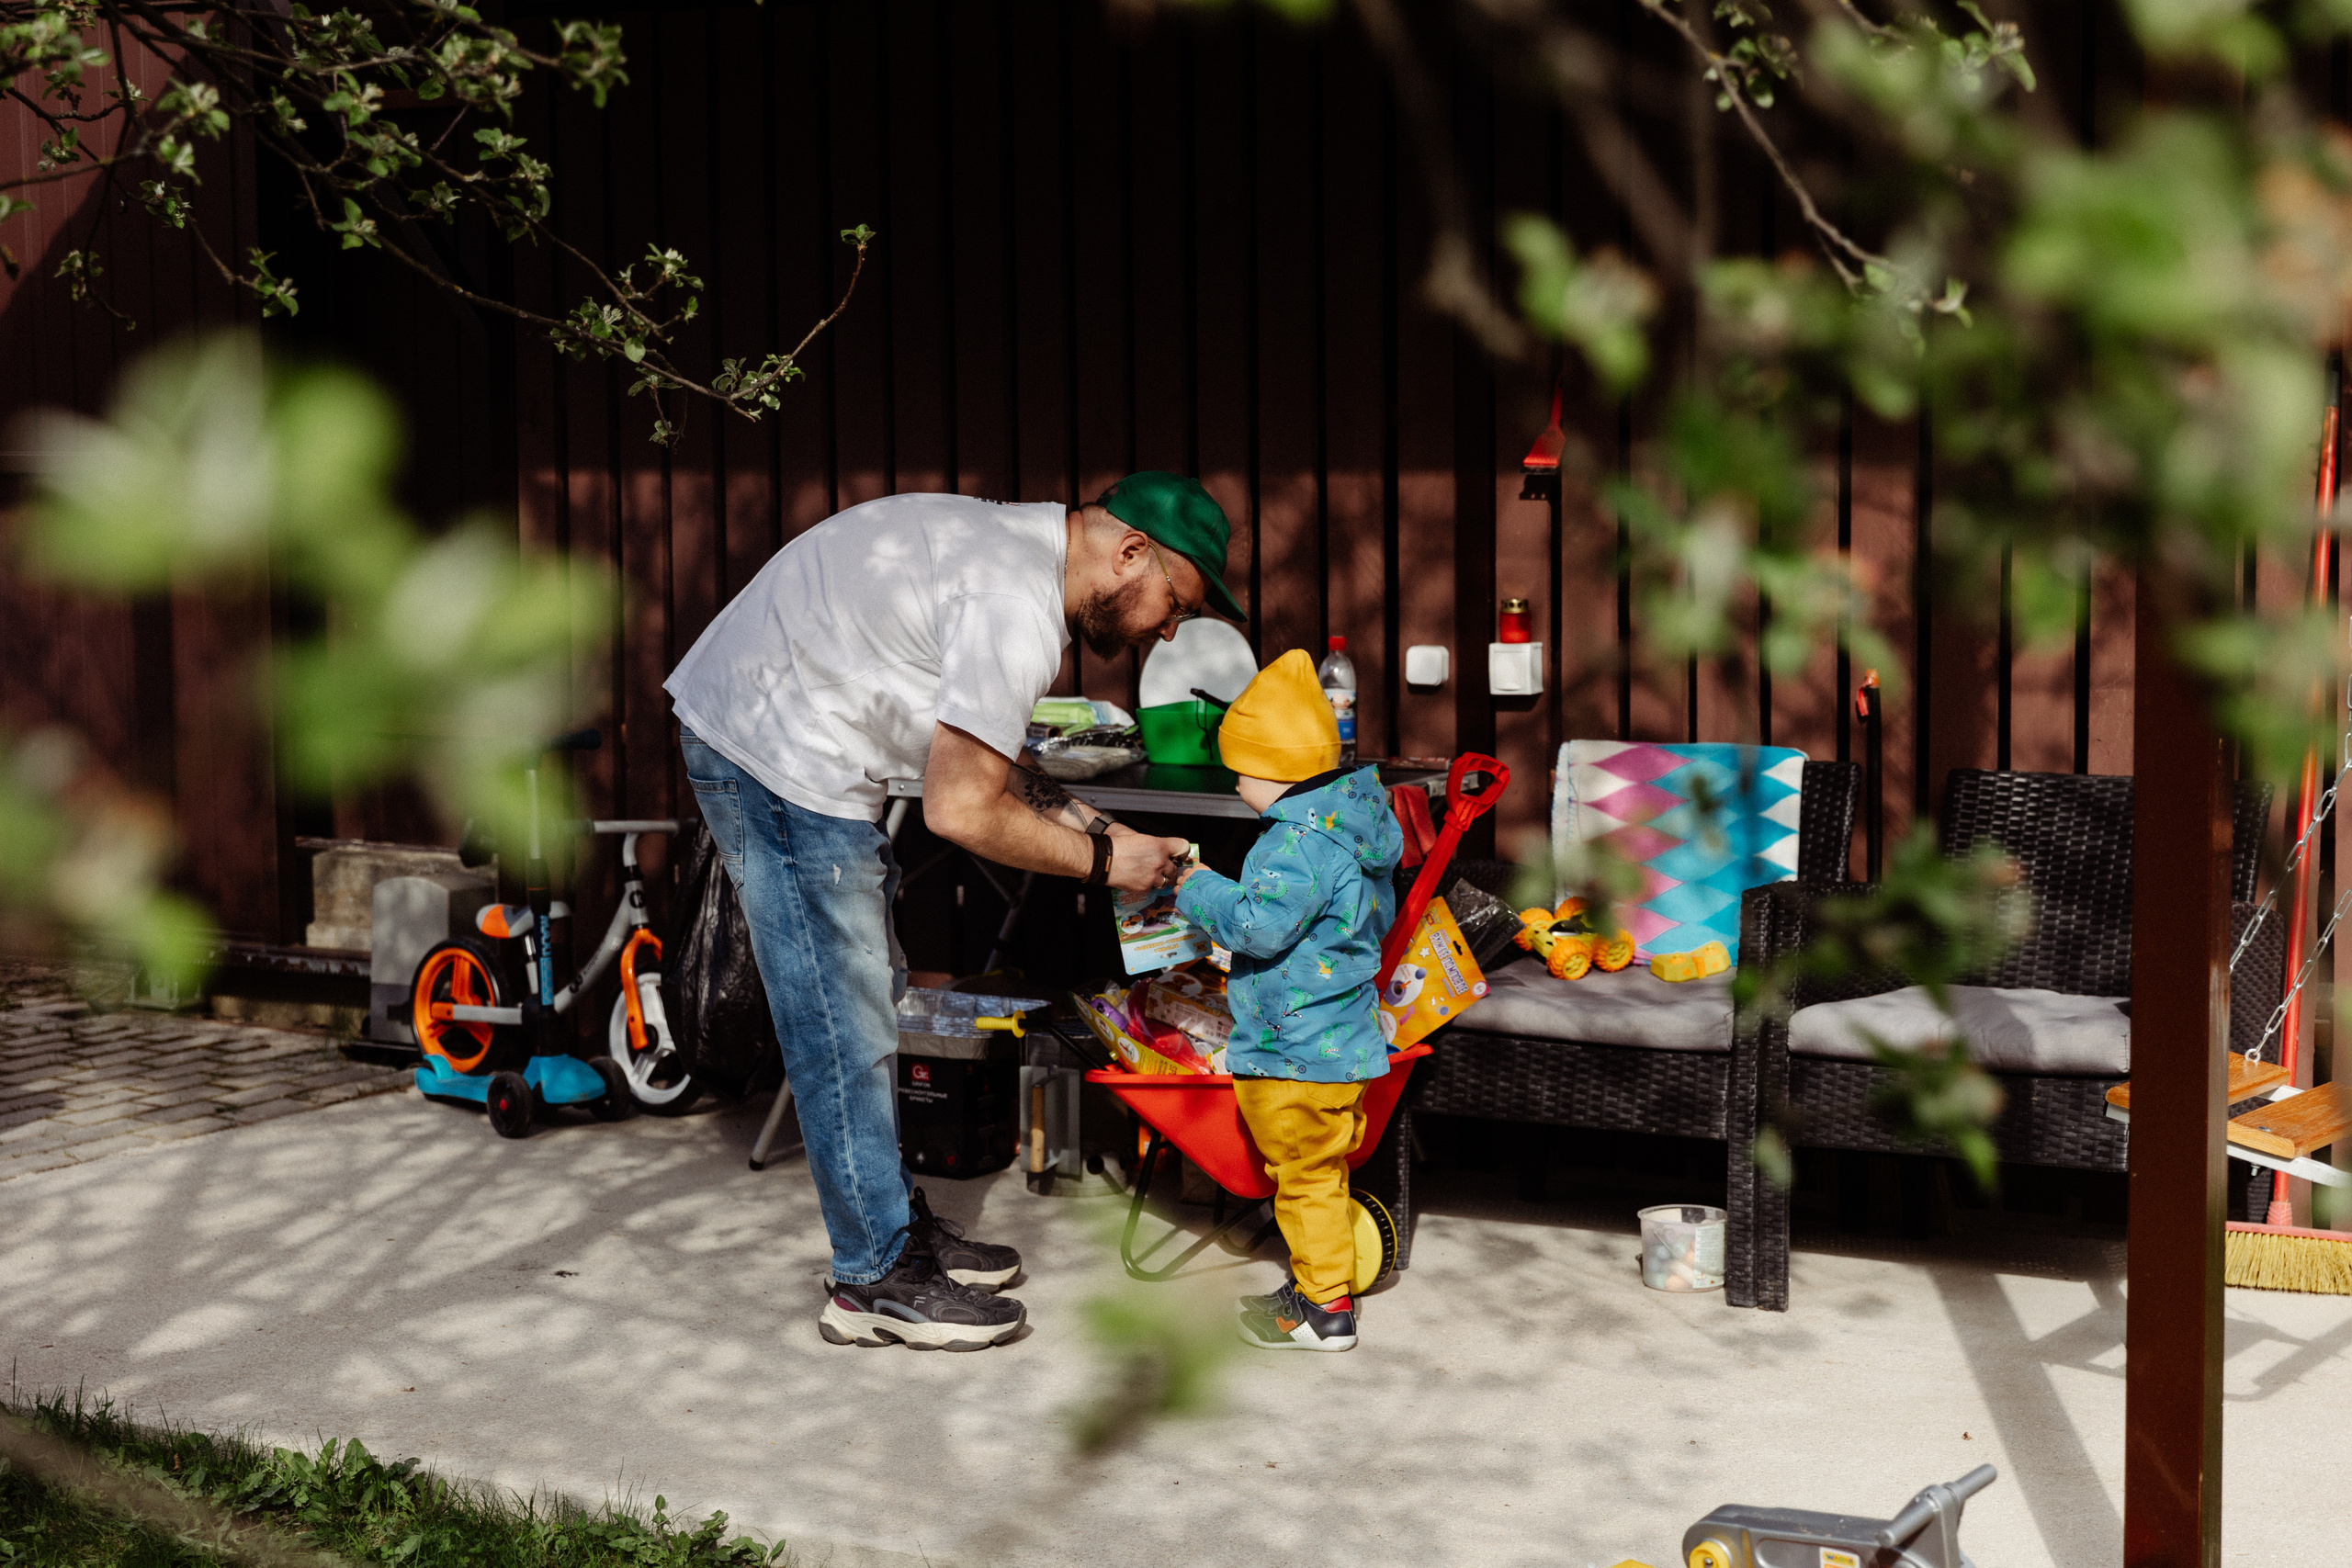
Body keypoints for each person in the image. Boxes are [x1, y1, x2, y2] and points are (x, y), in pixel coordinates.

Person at [663, 472, 1249, 1351]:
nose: (1168, 631)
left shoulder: (1014, 560)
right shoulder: (1012, 603)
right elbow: (962, 810)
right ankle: (872, 1278)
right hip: (771, 746)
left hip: (793, 735)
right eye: (1176, 604)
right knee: (841, 1012)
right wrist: (1101, 861)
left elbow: (995, 760)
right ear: (1130, 554)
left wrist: (1103, 826)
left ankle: (889, 1222)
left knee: (872, 987)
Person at [1170, 650, 1403, 1351]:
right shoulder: (1356, 823)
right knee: (1321, 1172)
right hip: (1345, 1038)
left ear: (1273, 769)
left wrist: (1195, 884)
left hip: (1294, 1048)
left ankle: (1324, 1310)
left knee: (1302, 1180)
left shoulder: (1292, 843)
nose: (1236, 782)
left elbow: (1255, 923)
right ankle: (1317, 1285)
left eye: (1239, 769)